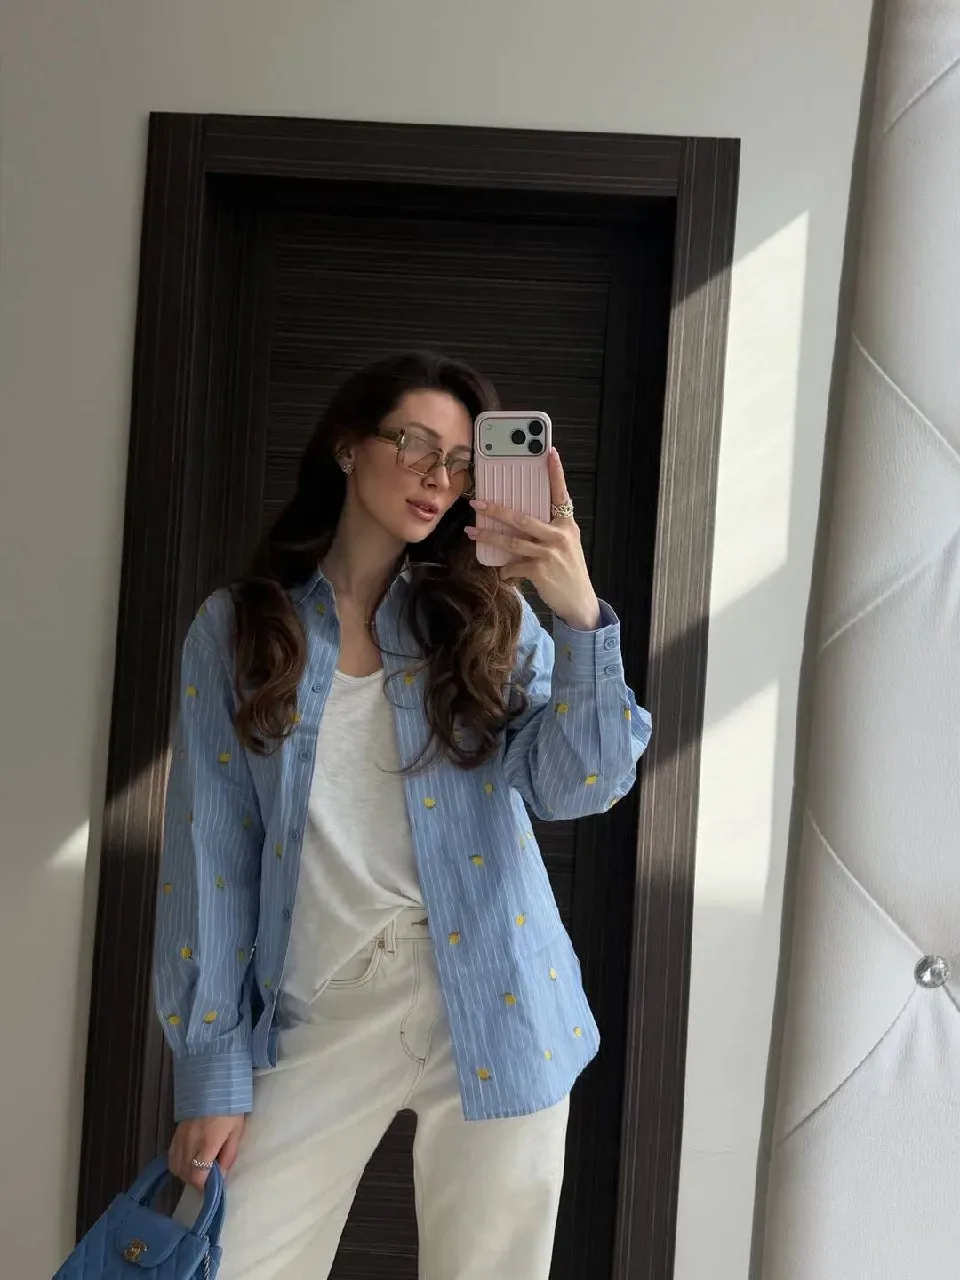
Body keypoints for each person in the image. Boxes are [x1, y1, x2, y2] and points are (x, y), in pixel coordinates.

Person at [155, 351, 652, 1279]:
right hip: (330, 994)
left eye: (461, 462)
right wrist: (211, 1070)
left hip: (500, 985)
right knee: (223, 1257)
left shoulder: (485, 618)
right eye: (415, 444)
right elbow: (209, 857)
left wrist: (579, 611)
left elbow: (579, 787)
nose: (437, 476)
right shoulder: (239, 629)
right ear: (348, 447)